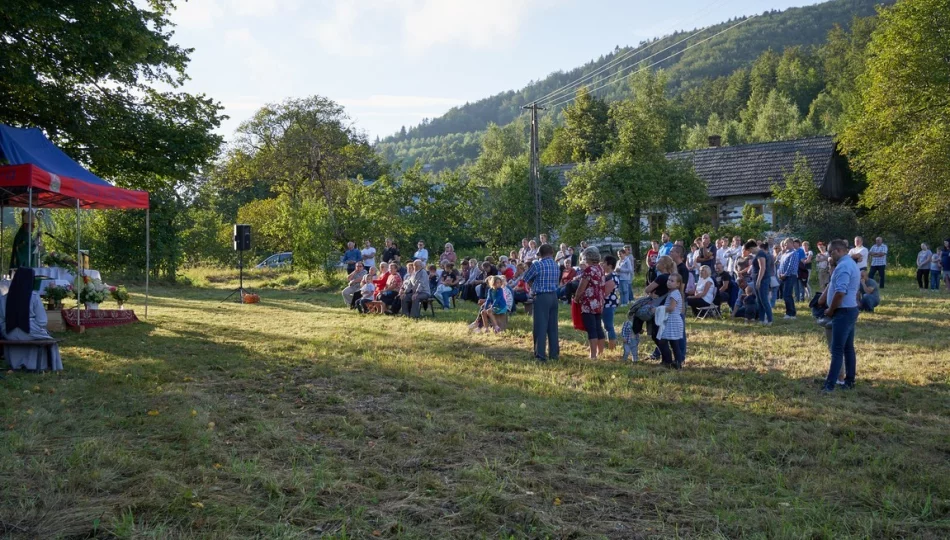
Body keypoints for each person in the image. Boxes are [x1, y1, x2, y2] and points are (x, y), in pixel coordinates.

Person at [0, 268, 63, 371]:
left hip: (9, 331)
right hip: (30, 329)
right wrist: (36, 328)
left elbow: (1, 320)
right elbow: (42, 321)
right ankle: (43, 365)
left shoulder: (3, 298)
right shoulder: (33, 296)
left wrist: (7, 329)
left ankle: (16, 363)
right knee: (48, 339)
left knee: (31, 336)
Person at [822, 239, 861, 393]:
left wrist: (831, 310)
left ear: (838, 250)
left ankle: (830, 385)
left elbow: (840, 292)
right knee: (848, 348)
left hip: (843, 311)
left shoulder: (843, 266)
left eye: (831, 252)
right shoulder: (851, 264)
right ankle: (849, 380)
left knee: (837, 349)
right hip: (850, 309)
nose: (830, 256)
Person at [522, 244, 560, 362]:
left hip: (541, 296)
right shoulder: (556, 265)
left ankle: (540, 355)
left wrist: (533, 285)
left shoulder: (537, 264)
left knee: (540, 326)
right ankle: (554, 354)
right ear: (552, 253)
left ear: (540, 254)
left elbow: (526, 277)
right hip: (554, 295)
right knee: (553, 327)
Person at [574, 247, 606, 359]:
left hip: (589, 303)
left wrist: (576, 298)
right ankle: (601, 352)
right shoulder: (600, 268)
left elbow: (581, 287)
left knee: (591, 328)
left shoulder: (588, 270)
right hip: (599, 301)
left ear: (587, 257)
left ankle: (593, 355)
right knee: (598, 327)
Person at [657, 273, 685, 369]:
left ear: (677, 284)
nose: (669, 282)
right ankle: (676, 362)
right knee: (674, 343)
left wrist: (658, 309)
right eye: (668, 280)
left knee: (663, 341)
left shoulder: (674, 294)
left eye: (672, 281)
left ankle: (669, 361)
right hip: (673, 320)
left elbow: (671, 308)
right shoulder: (674, 293)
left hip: (672, 320)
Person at [747, 239, 774, 326]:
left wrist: (759, 280)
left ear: (752, 248)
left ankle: (770, 320)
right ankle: (761, 319)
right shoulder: (757, 254)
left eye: (749, 250)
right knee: (759, 301)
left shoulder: (760, 254)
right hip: (756, 279)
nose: (750, 252)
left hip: (763, 280)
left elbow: (762, 268)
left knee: (764, 300)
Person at [777, 238, 800, 319]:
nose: (785, 245)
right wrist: (779, 274)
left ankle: (791, 313)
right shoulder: (784, 253)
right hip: (783, 276)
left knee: (787, 294)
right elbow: (781, 265)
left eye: (786, 244)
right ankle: (789, 312)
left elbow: (791, 266)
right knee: (786, 294)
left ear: (791, 243)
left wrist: (785, 274)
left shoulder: (794, 253)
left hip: (790, 276)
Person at [601, 255, 620, 350]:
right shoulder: (606, 276)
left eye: (604, 263)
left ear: (609, 265)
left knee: (608, 326)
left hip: (608, 304)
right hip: (604, 304)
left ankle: (612, 347)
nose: (602, 264)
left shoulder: (612, 277)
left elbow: (605, 293)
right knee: (604, 325)